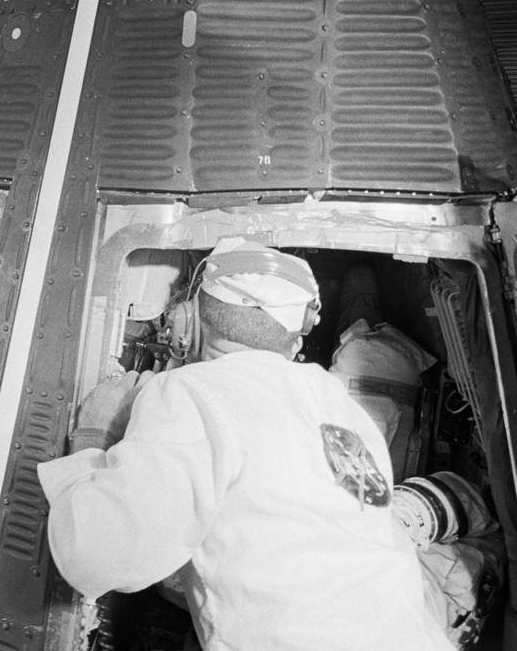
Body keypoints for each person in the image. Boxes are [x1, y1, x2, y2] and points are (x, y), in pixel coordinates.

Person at [37, 238, 456, 650]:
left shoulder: (190, 391)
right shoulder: (339, 404)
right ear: (296, 341)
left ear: (186, 322)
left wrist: (96, 434)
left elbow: (95, 556)